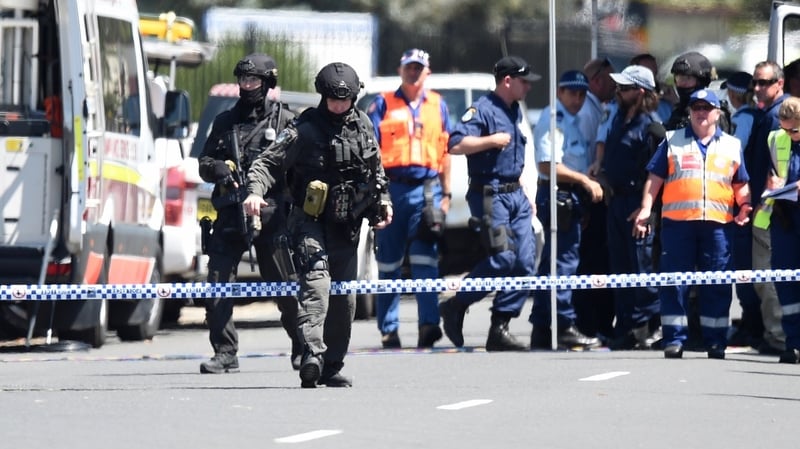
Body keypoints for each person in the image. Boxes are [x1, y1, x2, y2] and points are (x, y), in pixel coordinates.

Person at [244, 62, 392, 388]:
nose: (339, 105)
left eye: (345, 100)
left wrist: (383, 203)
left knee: (345, 299)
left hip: (347, 225)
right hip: (308, 221)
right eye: (333, 99)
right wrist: (254, 192)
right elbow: (267, 162)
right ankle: (311, 353)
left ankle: (332, 365)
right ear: (323, 96)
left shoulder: (363, 125)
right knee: (316, 281)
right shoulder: (303, 128)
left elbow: (376, 171)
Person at [196, 53, 299, 374]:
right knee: (217, 284)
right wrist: (219, 169)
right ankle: (225, 352)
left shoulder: (285, 121)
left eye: (253, 80)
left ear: (267, 83)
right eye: (243, 80)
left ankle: (304, 346)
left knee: (286, 286)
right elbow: (204, 162)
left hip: (271, 215)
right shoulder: (226, 121)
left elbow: (300, 165)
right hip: (230, 215)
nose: (247, 85)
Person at [632, 89, 753, 360]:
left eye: (706, 108)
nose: (701, 113)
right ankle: (674, 339)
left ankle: (715, 340)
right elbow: (655, 178)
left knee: (717, 283)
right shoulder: (672, 140)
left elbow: (740, 183)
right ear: (689, 112)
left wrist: (745, 206)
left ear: (717, 113)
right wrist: (646, 208)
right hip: (678, 225)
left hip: (718, 226)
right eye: (696, 107)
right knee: (675, 282)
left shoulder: (732, 145)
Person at [438, 55, 539, 352]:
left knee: (525, 261)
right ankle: (457, 305)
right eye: (523, 82)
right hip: (490, 194)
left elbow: (513, 156)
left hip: (515, 194)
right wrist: (491, 140)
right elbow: (455, 144)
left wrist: (525, 192)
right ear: (507, 81)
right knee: (503, 259)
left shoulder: (514, 109)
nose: (527, 88)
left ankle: (500, 326)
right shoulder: (482, 110)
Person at [367, 48, 450, 349]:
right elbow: (369, 150)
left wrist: (447, 193)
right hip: (392, 189)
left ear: (427, 72)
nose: (414, 73)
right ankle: (389, 330)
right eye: (409, 68)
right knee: (388, 263)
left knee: (425, 259)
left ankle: (429, 325)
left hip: (426, 190)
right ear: (401, 70)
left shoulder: (438, 105)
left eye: (419, 68)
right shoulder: (383, 104)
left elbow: (445, 150)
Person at [529, 70, 603, 350]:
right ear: (559, 92)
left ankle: (541, 327)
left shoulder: (573, 119)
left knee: (554, 262)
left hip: (570, 196)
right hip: (557, 194)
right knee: (563, 263)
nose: (578, 98)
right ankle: (563, 324)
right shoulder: (554, 119)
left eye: (582, 94)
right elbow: (548, 165)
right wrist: (584, 179)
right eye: (572, 92)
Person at [595, 65, 664, 350]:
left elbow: (656, 173)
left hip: (639, 204)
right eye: (619, 88)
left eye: (624, 88)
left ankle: (648, 327)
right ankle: (626, 326)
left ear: (641, 92)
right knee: (620, 267)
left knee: (642, 268)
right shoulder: (619, 119)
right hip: (617, 203)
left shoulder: (652, 127)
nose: (618, 92)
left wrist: (647, 209)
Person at [573, 58, 617, 343]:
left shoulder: (593, 108)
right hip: (589, 196)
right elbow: (589, 161)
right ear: (598, 80)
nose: (616, 86)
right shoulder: (588, 112)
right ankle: (590, 325)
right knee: (591, 264)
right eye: (612, 80)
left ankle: (596, 323)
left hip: (593, 195)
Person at [722, 71, 766, 349]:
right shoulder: (751, 116)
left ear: (734, 94)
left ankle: (752, 323)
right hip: (746, 196)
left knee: (744, 263)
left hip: (742, 198)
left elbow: (733, 152)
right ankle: (751, 322)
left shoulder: (744, 118)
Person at [751, 61, 791, 355]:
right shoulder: (769, 115)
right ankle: (781, 336)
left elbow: (779, 171)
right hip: (773, 211)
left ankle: (782, 338)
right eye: (756, 82)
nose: (757, 88)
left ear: (780, 83)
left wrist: (764, 201)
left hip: (778, 213)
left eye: (764, 82)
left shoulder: (780, 116)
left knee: (770, 278)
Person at [760, 96, 800, 364]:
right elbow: (772, 173)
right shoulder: (777, 139)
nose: (789, 135)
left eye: (794, 130)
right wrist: (774, 184)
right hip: (785, 218)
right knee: (785, 279)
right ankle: (794, 342)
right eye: (785, 129)